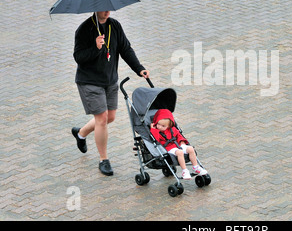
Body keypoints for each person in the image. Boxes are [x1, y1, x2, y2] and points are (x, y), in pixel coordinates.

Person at [71, 11, 150, 176]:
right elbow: (78, 57)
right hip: (90, 82)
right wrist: (96, 48)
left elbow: (125, 49)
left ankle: (81, 133)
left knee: (110, 117)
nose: (107, 12)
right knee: (101, 119)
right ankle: (103, 159)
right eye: (103, 9)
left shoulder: (114, 26)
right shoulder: (84, 29)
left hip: (110, 80)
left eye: (109, 9)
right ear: (95, 9)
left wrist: (139, 68)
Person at [150, 109, 207, 180]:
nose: (160, 127)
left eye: (163, 126)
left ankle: (196, 167)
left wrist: (182, 142)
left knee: (190, 148)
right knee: (180, 152)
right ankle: (184, 171)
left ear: (169, 126)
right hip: (169, 148)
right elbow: (155, 140)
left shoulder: (172, 129)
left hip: (178, 145)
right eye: (158, 124)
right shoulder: (157, 132)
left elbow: (179, 136)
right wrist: (153, 129)